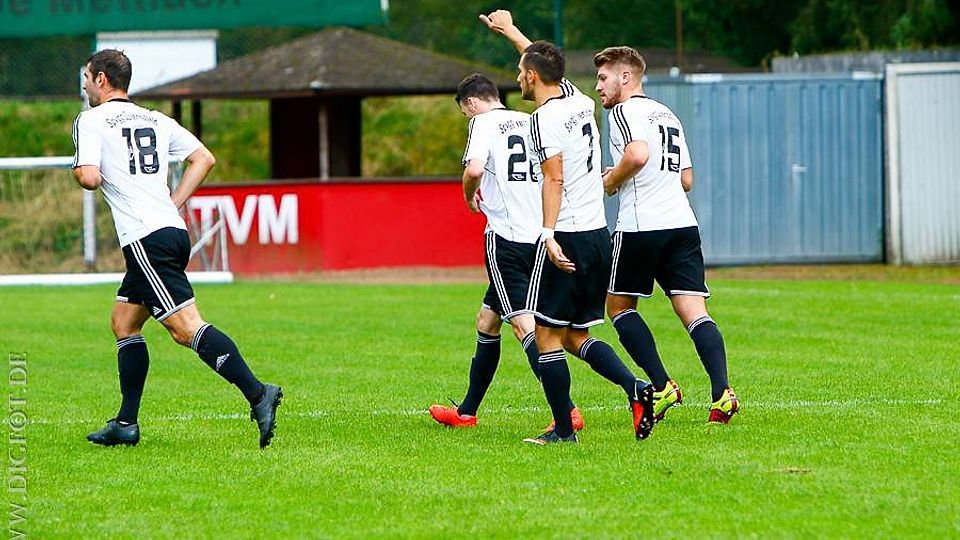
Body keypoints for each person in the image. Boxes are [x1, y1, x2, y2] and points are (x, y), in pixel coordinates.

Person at [73, 49, 282, 448]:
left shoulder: (91, 120)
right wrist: (175, 202)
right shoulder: (156, 119)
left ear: (100, 79)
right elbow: (204, 158)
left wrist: (85, 171)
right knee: (124, 322)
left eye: (86, 78)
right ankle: (126, 424)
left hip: (146, 240)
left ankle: (259, 393)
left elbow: (89, 177)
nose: (84, 86)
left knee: (185, 328)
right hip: (170, 230)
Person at [481, 10, 654, 445]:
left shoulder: (543, 119)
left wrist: (547, 235)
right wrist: (512, 33)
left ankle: (563, 430)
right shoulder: (579, 102)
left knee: (545, 336)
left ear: (532, 77)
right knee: (575, 335)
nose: (517, 77)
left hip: (569, 237)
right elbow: (543, 62)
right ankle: (635, 387)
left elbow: (553, 178)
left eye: (520, 72)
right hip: (598, 233)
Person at [429, 73, 584, 432]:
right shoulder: (530, 121)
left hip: (507, 239)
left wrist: (469, 196)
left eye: (465, 112)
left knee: (523, 324)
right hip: (541, 236)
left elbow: (474, 169)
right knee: (488, 320)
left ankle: (567, 411)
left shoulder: (482, 123)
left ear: (471, 103)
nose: (468, 118)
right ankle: (467, 412)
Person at [594, 46, 739, 424]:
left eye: (603, 78)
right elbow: (687, 179)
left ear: (626, 77)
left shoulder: (624, 111)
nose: (599, 87)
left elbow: (637, 155)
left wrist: (612, 180)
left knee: (619, 308)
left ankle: (661, 386)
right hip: (682, 223)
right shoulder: (668, 115)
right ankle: (722, 393)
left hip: (642, 225)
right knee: (695, 312)